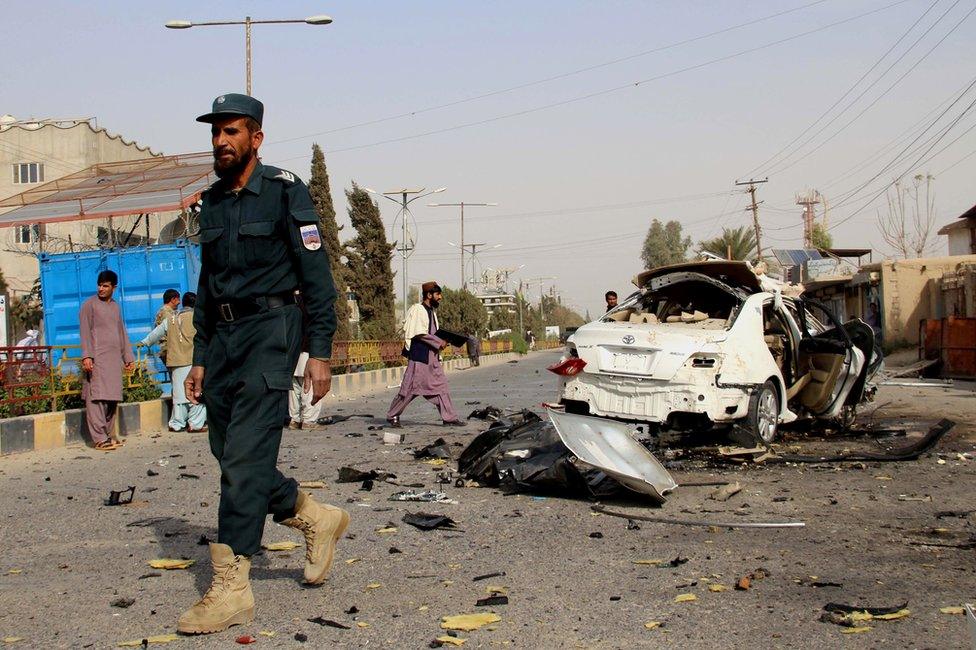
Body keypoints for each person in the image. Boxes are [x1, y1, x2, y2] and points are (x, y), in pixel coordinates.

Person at [178, 93, 349, 636]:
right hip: (224, 340)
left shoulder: (283, 191)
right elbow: (206, 287)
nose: (221, 141)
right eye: (216, 133)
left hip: (272, 333)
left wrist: (319, 352)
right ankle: (314, 516)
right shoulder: (212, 202)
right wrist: (200, 356)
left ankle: (231, 586)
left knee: (245, 457)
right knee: (232, 458)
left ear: (256, 138)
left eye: (232, 132)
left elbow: (318, 280)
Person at [386, 281, 465, 428]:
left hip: (432, 358)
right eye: (437, 294)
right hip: (420, 358)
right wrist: (438, 342)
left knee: (441, 387)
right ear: (429, 295)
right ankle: (393, 415)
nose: (440, 297)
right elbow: (419, 333)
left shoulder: (432, 312)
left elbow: (432, 333)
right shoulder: (418, 310)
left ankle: (449, 418)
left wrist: (444, 341)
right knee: (410, 390)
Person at [79, 270, 134, 451]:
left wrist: (128, 357)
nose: (101, 289)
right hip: (97, 359)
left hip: (113, 360)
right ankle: (99, 438)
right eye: (99, 285)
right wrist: (87, 355)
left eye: (105, 286)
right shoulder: (89, 305)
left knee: (112, 398)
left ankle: (110, 435)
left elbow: (121, 332)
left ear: (114, 287)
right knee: (97, 398)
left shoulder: (116, 307)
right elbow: (85, 332)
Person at [141, 292, 207, 433]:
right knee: (197, 391)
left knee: (178, 394)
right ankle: (195, 424)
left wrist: (144, 343)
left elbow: (154, 335)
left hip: (176, 361)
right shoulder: (198, 317)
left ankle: (176, 423)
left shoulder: (171, 318)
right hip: (194, 360)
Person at [288, 352, 322, 429]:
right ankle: (309, 421)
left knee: (294, 393)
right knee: (310, 392)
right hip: (308, 362)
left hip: (292, 362)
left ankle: (294, 421)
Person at [154, 289, 181, 362]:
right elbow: (173, 332)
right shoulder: (167, 313)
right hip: (170, 350)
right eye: (178, 300)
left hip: (167, 350)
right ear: (173, 299)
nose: (179, 303)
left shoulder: (162, 311)